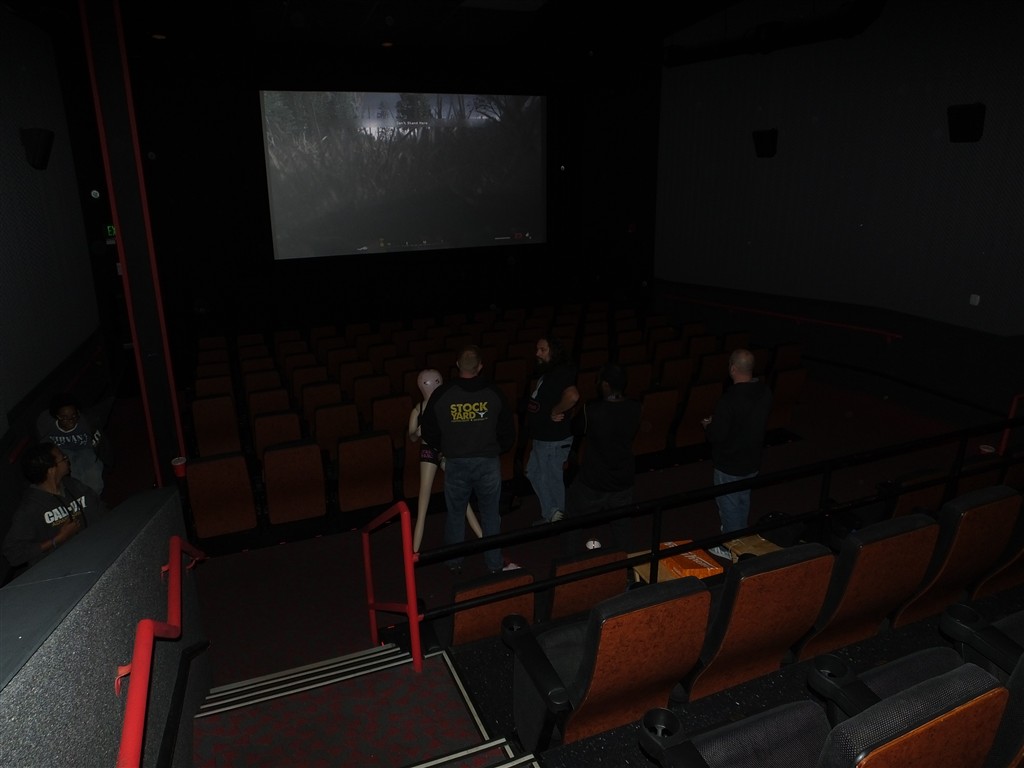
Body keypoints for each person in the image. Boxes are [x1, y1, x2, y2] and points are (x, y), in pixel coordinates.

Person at [420, 345, 517, 574]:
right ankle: (494, 563)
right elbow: (508, 432)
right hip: (487, 463)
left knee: (456, 513)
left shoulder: (442, 394)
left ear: (457, 365)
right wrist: (495, 449)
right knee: (490, 515)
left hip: (456, 463)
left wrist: (443, 448)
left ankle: (454, 561)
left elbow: (428, 431)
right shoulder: (494, 393)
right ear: (480, 367)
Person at [702, 349, 773, 560]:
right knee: (742, 499)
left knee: (729, 505)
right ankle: (741, 537)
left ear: (733, 369)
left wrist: (709, 425)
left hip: (730, 462)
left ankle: (731, 548)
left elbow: (717, 435)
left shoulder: (730, 399)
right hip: (752, 458)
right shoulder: (765, 392)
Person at [563, 363, 642, 554]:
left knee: (573, 521)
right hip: (623, 478)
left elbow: (575, 428)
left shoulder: (592, 410)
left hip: (593, 480)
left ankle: (569, 563)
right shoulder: (636, 407)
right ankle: (627, 564)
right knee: (622, 525)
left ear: (605, 384)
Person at [407, 368, 483, 552]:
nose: (432, 387)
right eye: (428, 384)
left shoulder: (447, 405)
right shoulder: (418, 409)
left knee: (461, 494)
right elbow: (411, 437)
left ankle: (483, 537)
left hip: (446, 452)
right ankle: (414, 550)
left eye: (436, 383)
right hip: (428, 451)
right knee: (423, 500)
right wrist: (417, 432)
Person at [2, 441, 107, 571]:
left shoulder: (73, 485)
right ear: (51, 470)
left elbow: (100, 508)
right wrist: (56, 540)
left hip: (94, 554)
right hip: (62, 570)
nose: (67, 459)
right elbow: (12, 553)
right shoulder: (30, 508)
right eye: (63, 458)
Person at [525, 337, 579, 524]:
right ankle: (552, 512)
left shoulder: (560, 372)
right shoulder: (550, 372)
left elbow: (573, 396)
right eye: (537, 349)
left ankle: (556, 516)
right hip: (544, 438)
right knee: (533, 472)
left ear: (554, 352)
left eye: (542, 350)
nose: (537, 353)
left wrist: (556, 410)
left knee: (550, 477)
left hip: (552, 440)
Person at [36, 392, 105, 496]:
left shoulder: (86, 422)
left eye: (73, 416)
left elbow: (99, 441)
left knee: (93, 472)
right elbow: (43, 443)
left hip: (85, 449)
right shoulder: (47, 424)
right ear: (57, 416)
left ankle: (93, 498)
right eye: (64, 417)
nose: (70, 421)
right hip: (63, 451)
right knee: (70, 470)